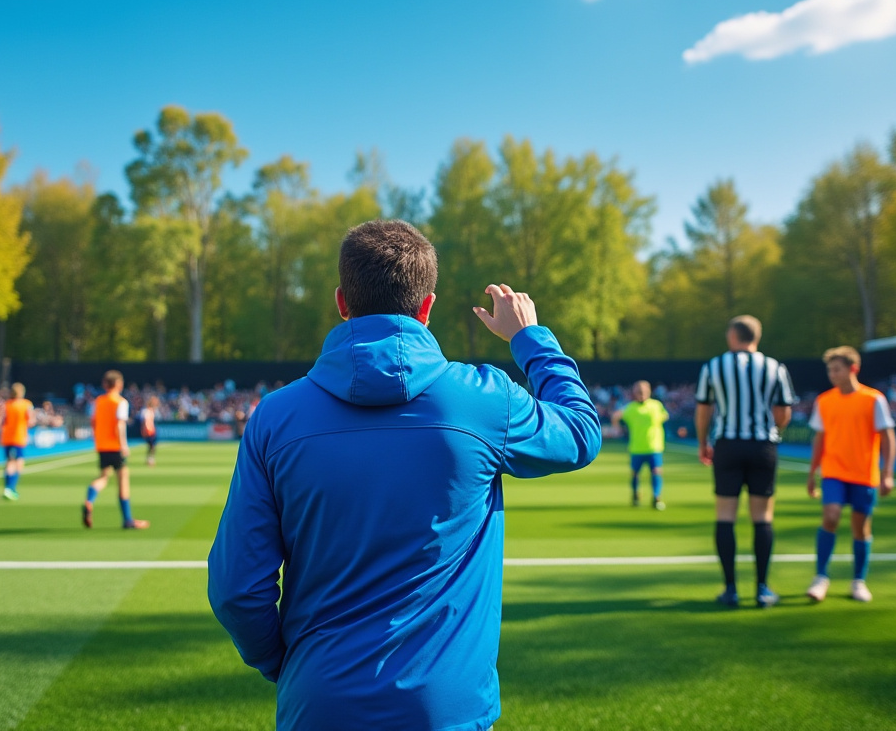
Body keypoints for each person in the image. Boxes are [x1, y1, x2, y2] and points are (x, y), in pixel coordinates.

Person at [207, 220, 601, 731]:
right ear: (426, 307)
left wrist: (287, 664)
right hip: (446, 709)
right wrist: (529, 338)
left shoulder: (275, 416)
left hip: (320, 700)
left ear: (342, 302)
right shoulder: (486, 399)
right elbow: (581, 432)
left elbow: (237, 589)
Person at [695, 315, 797, 609]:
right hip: (763, 445)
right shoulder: (775, 367)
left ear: (732, 336)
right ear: (757, 336)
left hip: (727, 444)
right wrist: (772, 432)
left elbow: (704, 411)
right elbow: (783, 411)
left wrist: (704, 443)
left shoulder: (714, 366)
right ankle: (762, 588)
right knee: (762, 517)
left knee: (725, 515)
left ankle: (730, 589)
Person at [805, 346, 896, 604]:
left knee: (860, 527)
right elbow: (819, 440)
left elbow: (888, 438)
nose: (832, 374)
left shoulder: (873, 399)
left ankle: (859, 580)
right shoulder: (824, 401)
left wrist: (887, 473)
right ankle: (821, 577)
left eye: (837, 369)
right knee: (831, 516)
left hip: (864, 474)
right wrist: (812, 472)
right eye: (830, 370)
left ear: (853, 369)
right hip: (833, 471)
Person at [82, 371, 149, 530]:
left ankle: (89, 500)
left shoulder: (98, 401)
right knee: (123, 480)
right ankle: (127, 519)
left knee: (103, 477)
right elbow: (119, 425)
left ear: (105, 384)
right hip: (115, 446)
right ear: (119, 384)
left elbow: (93, 422)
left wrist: (97, 439)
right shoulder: (120, 402)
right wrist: (123, 445)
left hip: (102, 445)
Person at [611, 380, 669, 509]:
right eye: (639, 391)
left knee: (656, 472)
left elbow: (665, 415)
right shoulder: (630, 408)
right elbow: (615, 416)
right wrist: (618, 428)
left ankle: (656, 497)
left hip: (654, 446)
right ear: (634, 393)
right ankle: (636, 495)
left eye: (643, 391)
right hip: (637, 447)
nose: (641, 394)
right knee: (635, 474)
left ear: (649, 392)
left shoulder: (656, 405)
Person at [0, 383, 35, 501]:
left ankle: (8, 488)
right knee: (18, 463)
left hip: (6, 436)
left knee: (10, 461)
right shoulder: (26, 404)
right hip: (18, 437)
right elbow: (31, 420)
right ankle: (10, 488)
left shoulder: (7, 404)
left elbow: (3, 420)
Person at [141, 396, 159, 466]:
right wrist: (145, 430)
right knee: (151, 446)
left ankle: (149, 459)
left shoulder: (150, 411)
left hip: (151, 430)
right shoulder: (145, 411)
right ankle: (150, 459)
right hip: (148, 431)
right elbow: (145, 422)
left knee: (151, 446)